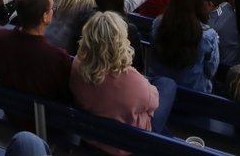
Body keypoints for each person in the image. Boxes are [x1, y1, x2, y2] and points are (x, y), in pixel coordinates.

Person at [69, 11, 176, 155]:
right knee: (168, 84)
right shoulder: (130, 78)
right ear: (119, 41)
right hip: (128, 143)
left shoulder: (77, 63)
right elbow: (153, 104)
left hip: (92, 133)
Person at [0, 0, 72, 129]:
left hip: (9, 108)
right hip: (42, 120)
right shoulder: (57, 56)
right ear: (44, 17)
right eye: (51, 8)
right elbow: (65, 96)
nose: (53, 11)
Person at [149, 0, 219, 92]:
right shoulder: (208, 36)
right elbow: (210, 70)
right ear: (199, 1)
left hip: (158, 90)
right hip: (194, 96)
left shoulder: (158, 23)